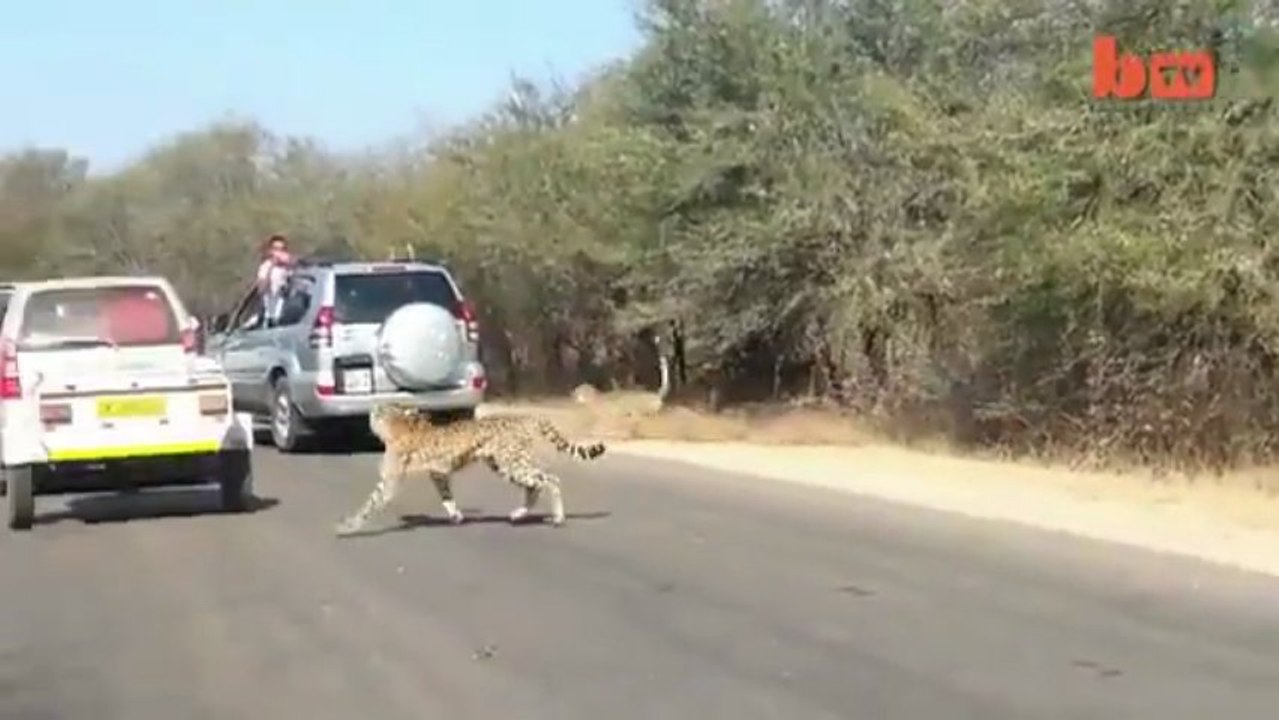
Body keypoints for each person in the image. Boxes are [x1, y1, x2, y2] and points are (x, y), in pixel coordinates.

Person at [256, 234, 294, 324]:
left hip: (287, 317)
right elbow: (261, 290)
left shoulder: (290, 269)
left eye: (282, 249)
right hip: (270, 316)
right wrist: (272, 266)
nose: (279, 252)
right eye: (276, 249)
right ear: (270, 251)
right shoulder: (265, 267)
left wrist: (288, 266)